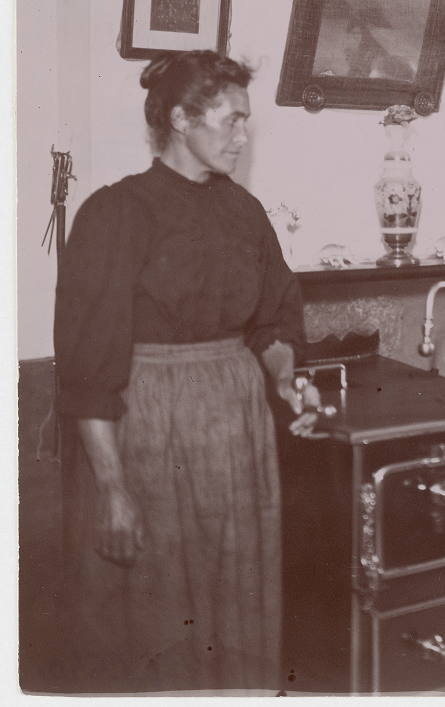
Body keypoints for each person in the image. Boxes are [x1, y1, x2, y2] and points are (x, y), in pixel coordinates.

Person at [54, 50, 310, 693]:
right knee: (156, 606)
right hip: (149, 435)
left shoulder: (245, 212)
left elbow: (274, 322)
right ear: (179, 118)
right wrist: (112, 487)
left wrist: (281, 375)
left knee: (235, 596)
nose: (243, 136)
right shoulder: (117, 213)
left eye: (246, 121)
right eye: (231, 121)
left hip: (237, 434)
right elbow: (88, 370)